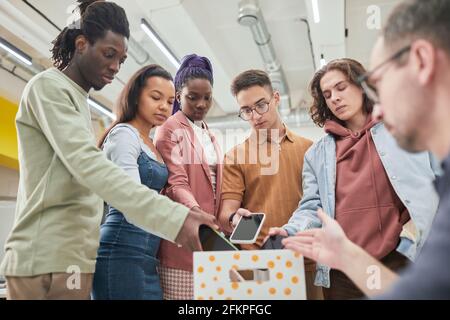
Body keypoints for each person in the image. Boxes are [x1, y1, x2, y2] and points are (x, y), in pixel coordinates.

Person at [0, 1, 216, 300]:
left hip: (74, 256)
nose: (115, 67)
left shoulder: (77, 101)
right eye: (109, 54)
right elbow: (91, 167)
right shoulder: (48, 88)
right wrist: (176, 218)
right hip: (45, 257)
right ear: (81, 44)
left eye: (121, 59)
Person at [283, 0, 450, 299]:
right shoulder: (318, 154)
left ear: (363, 87)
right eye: (327, 94)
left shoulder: (401, 133)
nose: (334, 98)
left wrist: (411, 231)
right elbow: (311, 206)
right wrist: (290, 230)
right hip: (343, 266)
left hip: (402, 255)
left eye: (342, 87)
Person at [218, 70, 322, 300]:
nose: (255, 116)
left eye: (261, 105)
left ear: (276, 98)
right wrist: (236, 218)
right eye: (246, 110)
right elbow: (227, 212)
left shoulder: (310, 149)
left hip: (306, 261)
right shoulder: (235, 156)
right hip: (258, 264)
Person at [92, 65, 176, 300]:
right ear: (136, 96)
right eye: (155, 97)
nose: (163, 106)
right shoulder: (123, 134)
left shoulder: (151, 143)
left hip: (147, 255)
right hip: (121, 250)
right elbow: (133, 195)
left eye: (170, 102)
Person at [154, 54, 222, 300]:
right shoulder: (169, 128)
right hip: (182, 240)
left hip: (210, 239)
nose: (201, 104)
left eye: (207, 98)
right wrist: (195, 211)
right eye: (193, 97)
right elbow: (175, 181)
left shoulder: (209, 133)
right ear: (178, 96)